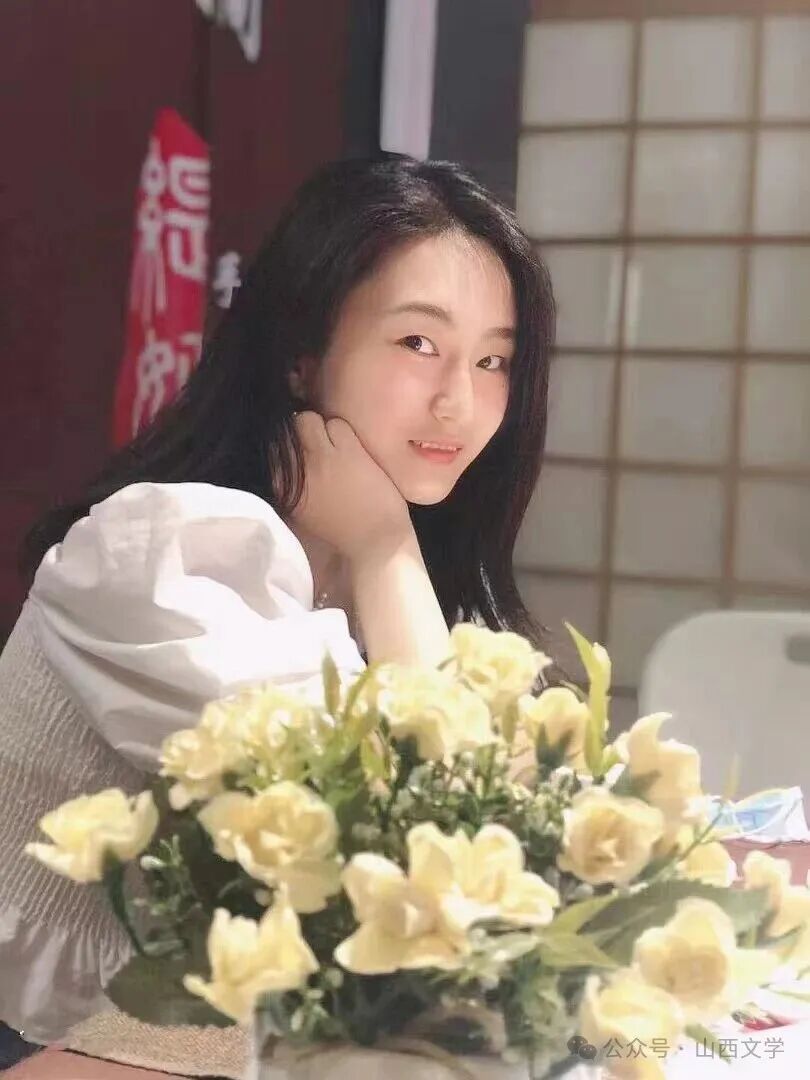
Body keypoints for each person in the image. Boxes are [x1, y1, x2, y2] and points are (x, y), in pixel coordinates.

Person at [0, 156, 556, 1069]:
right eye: (418, 343)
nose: (460, 400)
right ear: (303, 356)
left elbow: (505, 849)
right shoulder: (165, 549)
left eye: (494, 360)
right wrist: (386, 548)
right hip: (63, 1047)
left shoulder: (370, 564)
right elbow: (440, 854)